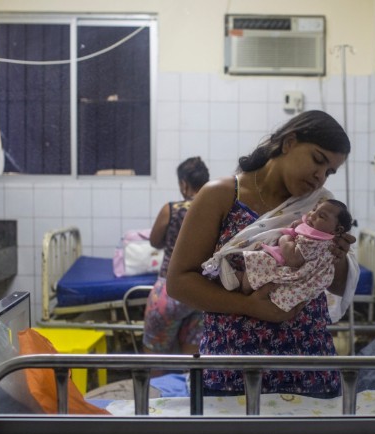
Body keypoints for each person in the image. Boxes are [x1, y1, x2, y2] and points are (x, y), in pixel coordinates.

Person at [166, 110, 360, 398]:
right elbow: (179, 282)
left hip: (308, 366)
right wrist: (251, 307)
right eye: (318, 160)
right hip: (233, 368)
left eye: (329, 171)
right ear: (289, 143)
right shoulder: (221, 196)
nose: (321, 176)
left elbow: (334, 283)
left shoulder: (323, 207)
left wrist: (338, 256)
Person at [232, 199, 354, 313]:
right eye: (314, 210)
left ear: (337, 230)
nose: (312, 215)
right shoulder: (322, 236)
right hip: (293, 282)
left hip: (293, 276)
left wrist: (286, 239)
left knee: (260, 263)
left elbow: (293, 259)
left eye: (321, 216)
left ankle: (239, 283)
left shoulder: (315, 241)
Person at [142, 156, 210, 354]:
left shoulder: (171, 209)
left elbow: (155, 241)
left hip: (170, 290)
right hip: (201, 292)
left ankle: (156, 384)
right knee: (192, 363)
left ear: (183, 183)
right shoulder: (214, 210)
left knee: (156, 358)